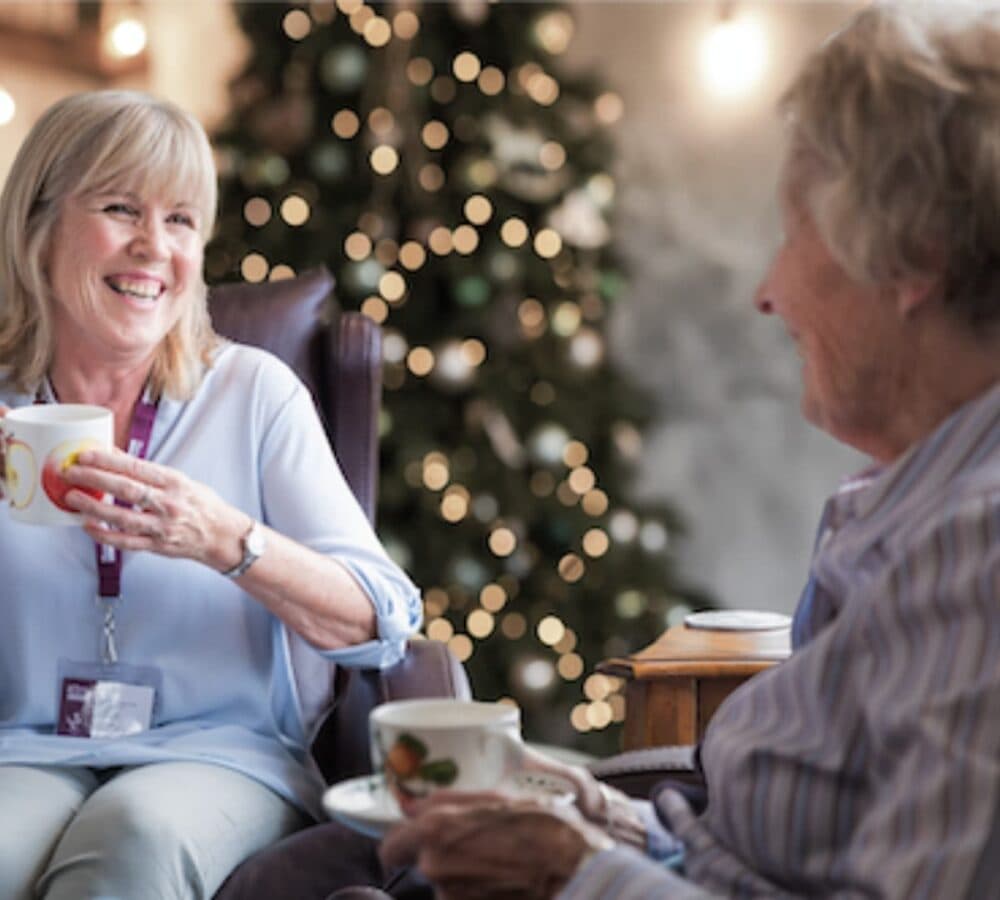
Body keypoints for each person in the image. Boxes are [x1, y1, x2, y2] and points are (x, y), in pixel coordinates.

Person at [374, 3, 1000, 898]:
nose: (766, 292)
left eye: (793, 236)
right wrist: (618, 829)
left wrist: (583, 877)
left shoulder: (978, 555)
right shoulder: (900, 505)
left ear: (913, 260)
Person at [0, 90, 422, 900]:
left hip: (220, 755)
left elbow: (382, 621)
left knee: (133, 838)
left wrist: (228, 540)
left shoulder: (254, 394)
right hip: (25, 750)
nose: (154, 247)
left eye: (182, 220)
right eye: (122, 208)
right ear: (38, 227)